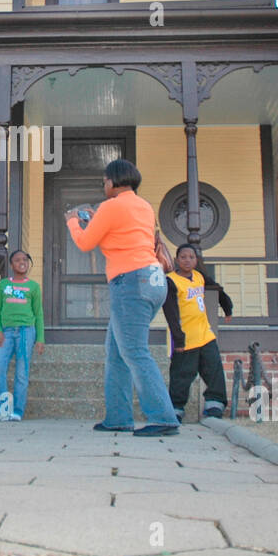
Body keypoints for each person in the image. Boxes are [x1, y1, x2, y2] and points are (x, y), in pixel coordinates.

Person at [66, 159, 180, 436]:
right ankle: (118, 417)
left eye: (104, 181)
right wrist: (95, 219)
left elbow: (85, 243)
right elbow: (120, 234)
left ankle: (164, 418)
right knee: (117, 352)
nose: (103, 185)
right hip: (154, 281)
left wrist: (72, 220)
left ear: (113, 181)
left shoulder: (111, 206)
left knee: (134, 351)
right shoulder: (143, 205)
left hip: (130, 282)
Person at [162, 243, 233, 421]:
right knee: (182, 375)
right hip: (185, 337)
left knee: (214, 370)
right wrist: (178, 339)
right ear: (177, 260)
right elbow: (170, 312)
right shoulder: (171, 281)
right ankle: (176, 408)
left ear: (196, 260)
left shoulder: (199, 277)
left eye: (191, 257)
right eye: (183, 257)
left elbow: (217, 288)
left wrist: (227, 307)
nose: (187, 260)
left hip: (205, 334)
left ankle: (215, 405)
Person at [0, 249, 44, 421]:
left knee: (22, 372)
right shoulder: (4, 285)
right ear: (11, 265)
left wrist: (40, 338)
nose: (21, 262)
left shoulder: (33, 287)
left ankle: (17, 410)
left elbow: (38, 313)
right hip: (7, 332)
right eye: (17, 260)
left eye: (24, 259)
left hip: (26, 331)